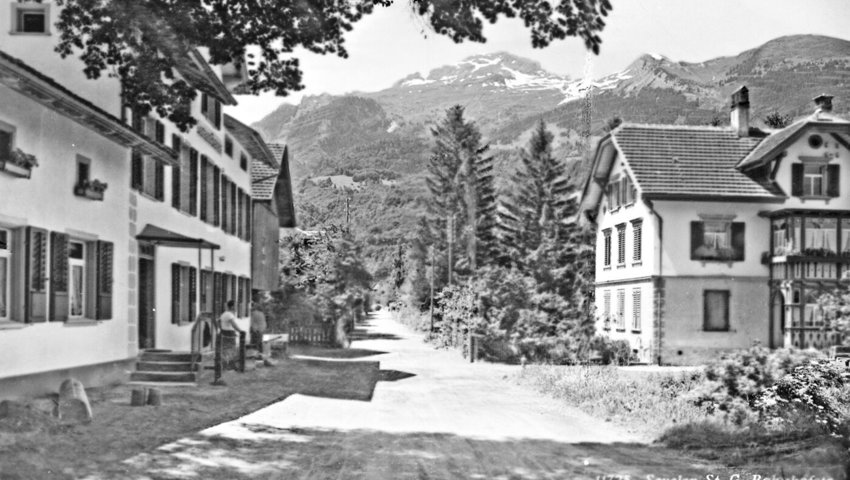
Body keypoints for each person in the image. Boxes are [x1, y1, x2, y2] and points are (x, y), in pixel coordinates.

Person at [219, 300, 245, 370]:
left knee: (225, 349)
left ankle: (225, 365)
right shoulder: (229, 315)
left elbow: (220, 324)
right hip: (229, 333)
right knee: (231, 349)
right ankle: (230, 365)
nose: (236, 307)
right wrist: (240, 331)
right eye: (236, 306)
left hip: (225, 332)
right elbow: (234, 325)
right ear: (232, 306)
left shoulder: (224, 314)